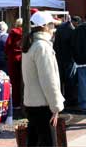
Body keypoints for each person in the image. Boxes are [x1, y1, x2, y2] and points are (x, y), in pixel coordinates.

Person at [22, 11, 65, 147]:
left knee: (33, 142)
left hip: (32, 103)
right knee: (48, 143)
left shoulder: (31, 44)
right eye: (52, 25)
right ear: (45, 26)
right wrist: (56, 106)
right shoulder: (42, 47)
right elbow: (48, 80)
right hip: (43, 105)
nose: (53, 29)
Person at [53, 16, 77, 107]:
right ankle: (69, 100)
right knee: (69, 81)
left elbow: (56, 44)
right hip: (68, 58)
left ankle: (61, 99)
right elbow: (73, 45)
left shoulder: (60, 29)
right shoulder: (71, 30)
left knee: (60, 80)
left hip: (59, 57)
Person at [5, 18, 23, 109]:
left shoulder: (13, 32)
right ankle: (22, 101)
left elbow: (8, 44)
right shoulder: (27, 32)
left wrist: (7, 54)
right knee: (23, 81)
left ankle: (16, 103)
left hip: (13, 58)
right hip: (23, 58)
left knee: (14, 81)